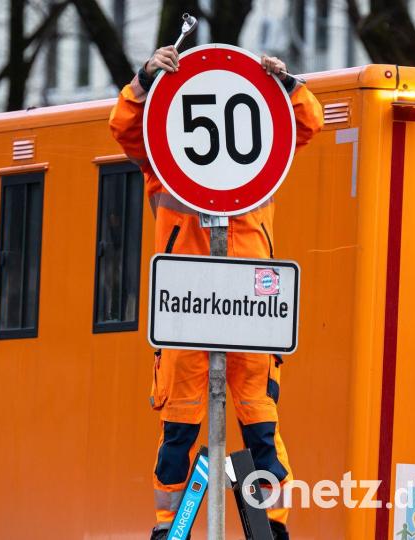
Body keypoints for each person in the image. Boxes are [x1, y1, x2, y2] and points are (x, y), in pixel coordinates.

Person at [108, 45, 324, 540]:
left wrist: (287, 83)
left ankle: (267, 528)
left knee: (258, 433)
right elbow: (123, 126)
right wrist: (143, 81)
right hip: (203, 311)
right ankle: (172, 530)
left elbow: (307, 124)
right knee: (183, 436)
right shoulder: (163, 154)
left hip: (239, 308)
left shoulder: (267, 148)